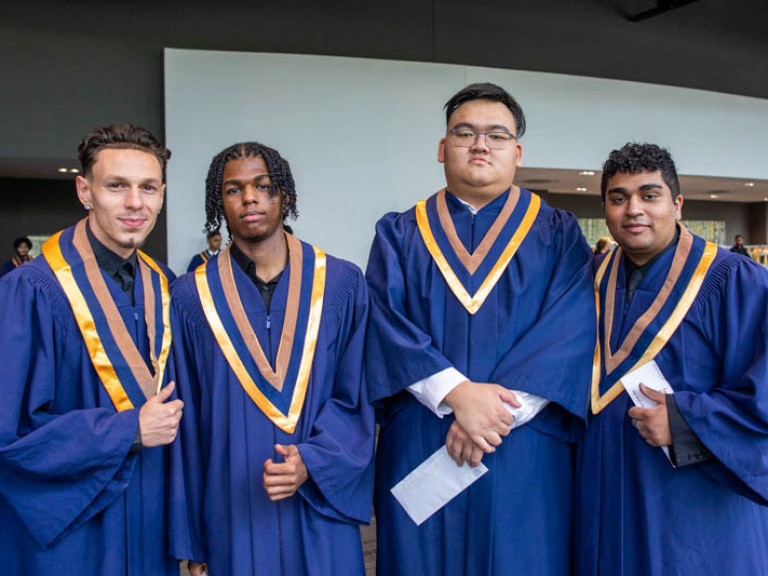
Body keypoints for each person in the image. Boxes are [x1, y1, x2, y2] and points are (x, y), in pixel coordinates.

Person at [365, 82, 595, 575]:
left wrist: (495, 416)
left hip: (523, 443)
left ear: (517, 151)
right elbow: (385, 321)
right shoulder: (400, 232)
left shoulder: (557, 232)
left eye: (496, 134)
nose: (480, 144)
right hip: (426, 433)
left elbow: (570, 328)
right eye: (464, 132)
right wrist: (457, 396)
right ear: (442, 147)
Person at [170, 142, 375, 576]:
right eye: (233, 189)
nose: (249, 198)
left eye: (263, 186)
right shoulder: (191, 297)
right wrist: (192, 536)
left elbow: (356, 393)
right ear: (218, 202)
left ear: (283, 194)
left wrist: (314, 461)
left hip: (316, 500)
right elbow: (186, 425)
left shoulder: (339, 284)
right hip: (230, 509)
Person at [576, 143, 768, 575]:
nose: (633, 210)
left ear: (677, 204)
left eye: (649, 195)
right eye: (619, 198)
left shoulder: (735, 282)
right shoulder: (590, 279)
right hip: (604, 492)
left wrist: (688, 422)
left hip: (692, 509)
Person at [0, 124, 183, 576]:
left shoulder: (165, 286)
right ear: (85, 190)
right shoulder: (31, 291)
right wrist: (127, 431)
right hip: (71, 530)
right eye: (116, 186)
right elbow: (9, 433)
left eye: (148, 188)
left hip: (149, 519)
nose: (135, 203)